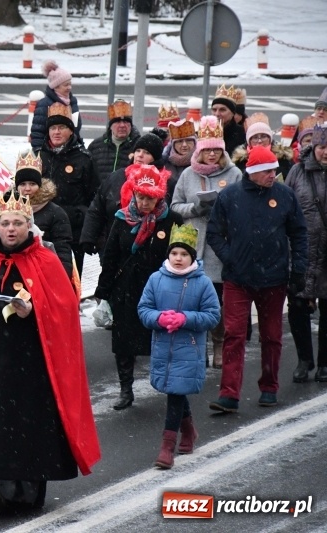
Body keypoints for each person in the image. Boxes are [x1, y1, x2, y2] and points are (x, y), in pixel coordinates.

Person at [0, 190, 100, 510]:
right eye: (5, 223)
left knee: (28, 425)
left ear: (29, 226)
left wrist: (34, 312)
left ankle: (26, 491)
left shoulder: (46, 261)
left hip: (34, 362)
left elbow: (63, 311)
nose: (10, 229)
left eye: (17, 223)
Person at [207, 145, 308, 412]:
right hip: (238, 279)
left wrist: (298, 270)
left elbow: (299, 234)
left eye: (274, 169)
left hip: (274, 280)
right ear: (252, 171)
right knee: (234, 336)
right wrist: (231, 257)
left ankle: (269, 387)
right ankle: (229, 393)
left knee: (272, 336)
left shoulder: (285, 196)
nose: (272, 174)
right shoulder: (230, 196)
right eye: (266, 171)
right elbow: (214, 232)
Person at [94, 164, 183, 410]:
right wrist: (104, 292)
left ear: (159, 197)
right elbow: (110, 256)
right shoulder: (122, 219)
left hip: (160, 289)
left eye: (150, 198)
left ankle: (168, 385)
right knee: (123, 342)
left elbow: (183, 254)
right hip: (126, 288)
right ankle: (126, 389)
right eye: (141, 196)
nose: (145, 203)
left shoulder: (172, 220)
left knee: (161, 337)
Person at [137, 224, 220, 469]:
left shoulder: (202, 283)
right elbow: (144, 309)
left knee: (175, 392)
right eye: (175, 253)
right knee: (175, 389)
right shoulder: (156, 279)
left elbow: (213, 315)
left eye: (184, 254)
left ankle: (166, 447)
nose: (179, 258)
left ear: (192, 257)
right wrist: (159, 319)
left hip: (189, 347)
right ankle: (189, 430)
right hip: (163, 346)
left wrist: (186, 319)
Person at [171, 115, 242, 369]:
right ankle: (197, 346)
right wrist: (197, 206)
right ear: (200, 151)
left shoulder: (234, 173)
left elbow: (242, 205)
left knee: (218, 300)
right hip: (194, 242)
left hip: (220, 245)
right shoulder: (189, 174)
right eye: (207, 150)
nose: (212, 155)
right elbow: (176, 205)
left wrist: (222, 208)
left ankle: (219, 344)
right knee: (193, 300)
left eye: (216, 150)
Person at [80, 132, 167, 259]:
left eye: (147, 153)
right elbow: (97, 208)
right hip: (112, 243)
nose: (140, 155)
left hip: (149, 247)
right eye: (138, 150)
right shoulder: (117, 177)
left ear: (156, 158)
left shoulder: (163, 181)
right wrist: (88, 237)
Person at [285, 124, 327, 383]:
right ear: (315, 148)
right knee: (298, 307)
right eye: (323, 147)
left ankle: (324, 363)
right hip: (300, 251)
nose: (326, 152)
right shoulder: (297, 172)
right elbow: (285, 208)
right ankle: (304, 360)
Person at [39, 102, 99, 277]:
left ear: (71, 131)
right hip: (43, 231)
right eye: (53, 128)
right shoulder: (38, 157)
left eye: (62, 127)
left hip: (73, 233)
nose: (56, 132)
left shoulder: (84, 159)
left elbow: (94, 197)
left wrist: (83, 220)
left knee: (70, 280)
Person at [14, 150, 74, 278]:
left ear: (40, 185)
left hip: (43, 273)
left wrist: (62, 277)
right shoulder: (7, 210)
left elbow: (62, 250)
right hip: (13, 271)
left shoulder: (56, 213)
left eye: (32, 184)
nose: (27, 189)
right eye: (22, 184)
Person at [30, 59, 82, 149]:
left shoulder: (72, 101)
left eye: (70, 84)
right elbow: (38, 133)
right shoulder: (44, 104)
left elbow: (76, 128)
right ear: (56, 87)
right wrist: (39, 152)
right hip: (51, 152)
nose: (69, 87)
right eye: (66, 85)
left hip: (72, 150)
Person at [232, 113, 296, 181]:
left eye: (263, 136)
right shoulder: (240, 161)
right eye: (255, 137)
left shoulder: (283, 158)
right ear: (249, 141)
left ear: (270, 139)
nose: (259, 141)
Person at [87, 99, 141, 179]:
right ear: (111, 126)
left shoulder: (139, 146)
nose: (122, 125)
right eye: (118, 122)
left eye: (126, 122)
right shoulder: (95, 146)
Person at [162, 118, 197, 192]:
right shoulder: (164, 164)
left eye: (188, 141)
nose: (184, 145)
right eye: (180, 141)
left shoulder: (201, 162)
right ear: (173, 145)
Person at [210, 84, 246, 156]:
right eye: (214, 110)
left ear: (233, 113)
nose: (217, 114)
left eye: (222, 110)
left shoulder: (242, 133)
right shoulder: (204, 131)